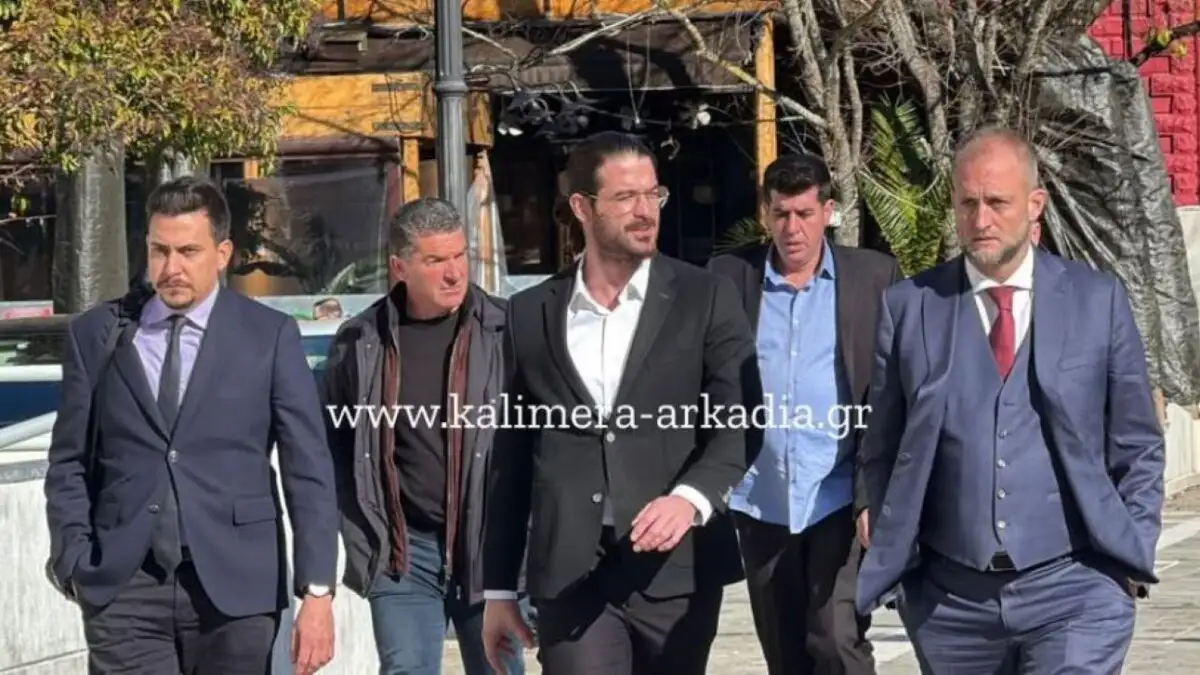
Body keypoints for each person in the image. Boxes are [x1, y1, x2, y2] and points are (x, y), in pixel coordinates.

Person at [855, 126, 1165, 673]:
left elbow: (1137, 441)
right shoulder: (910, 307)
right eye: (967, 203)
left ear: (1034, 204)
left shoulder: (1097, 301)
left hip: (1077, 585)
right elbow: (882, 443)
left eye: (997, 202)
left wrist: (1131, 549)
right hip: (950, 602)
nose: (981, 220)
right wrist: (889, 540)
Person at [479, 130, 761, 675]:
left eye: (653, 194)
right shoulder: (530, 313)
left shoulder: (705, 297)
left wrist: (690, 498)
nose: (645, 211)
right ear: (582, 207)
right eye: (626, 197)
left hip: (675, 568)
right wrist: (498, 588)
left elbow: (741, 423)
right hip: (570, 570)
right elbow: (509, 459)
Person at [43, 176, 338, 675]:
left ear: (222, 254)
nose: (171, 268)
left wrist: (317, 591)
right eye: (159, 251)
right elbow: (69, 461)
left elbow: (307, 468)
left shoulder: (268, 336)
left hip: (238, 588)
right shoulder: (97, 334)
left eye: (188, 251)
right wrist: (73, 560)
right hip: (124, 588)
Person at [707, 154, 899, 675]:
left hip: (837, 494)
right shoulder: (729, 277)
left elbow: (890, 393)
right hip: (760, 497)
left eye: (805, 214)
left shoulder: (873, 278)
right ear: (765, 214)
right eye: (782, 214)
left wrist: (874, 492)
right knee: (785, 652)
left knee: (836, 640)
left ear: (828, 212)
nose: (793, 228)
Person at [321, 197, 526, 675]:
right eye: (435, 260)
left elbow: (539, 441)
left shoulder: (507, 331)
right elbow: (331, 444)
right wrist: (359, 527)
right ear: (400, 267)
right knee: (406, 669)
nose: (454, 272)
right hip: (402, 552)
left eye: (459, 256)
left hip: (487, 547)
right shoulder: (360, 341)